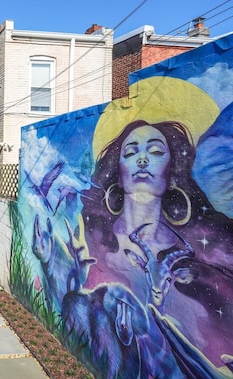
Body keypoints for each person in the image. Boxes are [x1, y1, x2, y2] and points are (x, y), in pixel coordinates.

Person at [80, 119, 233, 367]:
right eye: (130, 153)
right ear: (118, 174)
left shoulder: (193, 253)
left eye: (156, 151)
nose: (142, 160)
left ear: (171, 172)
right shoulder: (98, 245)